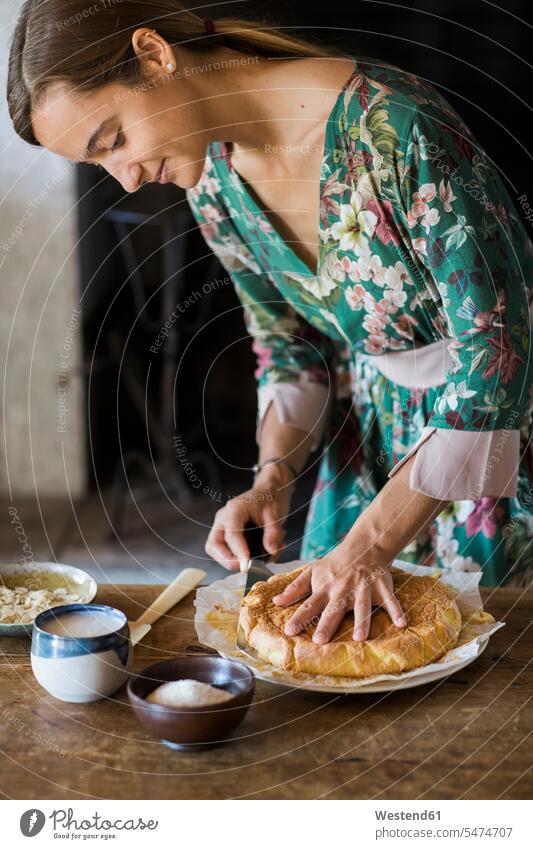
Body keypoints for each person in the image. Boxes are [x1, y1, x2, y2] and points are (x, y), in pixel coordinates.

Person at [9, 3, 533, 646]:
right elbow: (288, 351)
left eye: (114, 139)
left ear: (154, 55)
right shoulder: (213, 178)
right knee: (323, 660)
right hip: (373, 440)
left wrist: (371, 540)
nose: (128, 178)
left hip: (502, 431)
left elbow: (497, 351)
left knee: (482, 684)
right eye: (101, 168)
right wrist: (273, 476)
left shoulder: (396, 126)